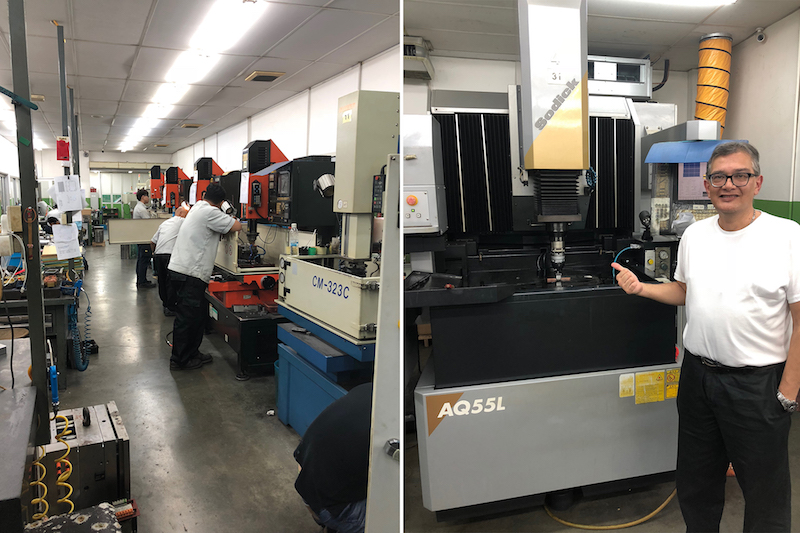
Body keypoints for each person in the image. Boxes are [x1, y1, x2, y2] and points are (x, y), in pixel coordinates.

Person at [612, 141, 800, 532]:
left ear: (757, 182)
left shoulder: (787, 236)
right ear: (707, 185)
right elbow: (684, 291)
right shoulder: (695, 236)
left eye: (740, 175)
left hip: (757, 386)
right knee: (696, 482)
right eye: (718, 177)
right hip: (698, 379)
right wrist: (642, 288)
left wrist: (788, 390)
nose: (728, 184)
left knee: (764, 492)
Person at [167, 183, 241, 370]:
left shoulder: (197, 208)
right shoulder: (210, 212)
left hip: (182, 270)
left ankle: (192, 352)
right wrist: (229, 213)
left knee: (197, 316)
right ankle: (180, 360)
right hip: (190, 273)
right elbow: (237, 225)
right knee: (187, 318)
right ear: (221, 202)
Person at [294, 383, 372, 533]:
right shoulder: (386, 425)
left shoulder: (367, 388)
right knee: (390, 517)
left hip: (304, 473)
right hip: (326, 505)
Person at [151, 206, 189, 317]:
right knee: (171, 282)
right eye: (187, 213)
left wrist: (153, 253)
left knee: (162, 281)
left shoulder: (165, 223)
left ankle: (165, 304)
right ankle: (171, 307)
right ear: (181, 213)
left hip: (159, 255)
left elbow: (152, 241)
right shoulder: (182, 221)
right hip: (170, 256)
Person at [133, 189, 154, 289]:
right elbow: (148, 223)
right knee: (144, 259)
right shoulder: (141, 209)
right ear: (143, 197)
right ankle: (142, 282)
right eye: (147, 196)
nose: (148, 198)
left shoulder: (140, 207)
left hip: (140, 236)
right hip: (143, 236)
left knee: (141, 259)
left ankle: (142, 280)